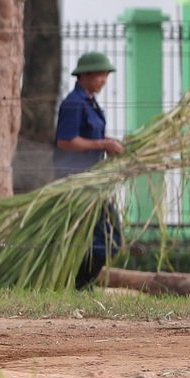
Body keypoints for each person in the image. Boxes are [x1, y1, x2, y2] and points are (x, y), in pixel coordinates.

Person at [53, 51, 124, 289]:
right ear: (85, 76)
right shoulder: (74, 104)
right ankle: (80, 284)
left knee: (111, 236)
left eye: (106, 75)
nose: (104, 80)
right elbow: (66, 141)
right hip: (77, 182)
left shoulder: (90, 103)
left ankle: (81, 283)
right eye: (101, 75)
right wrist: (102, 144)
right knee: (106, 237)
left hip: (93, 180)